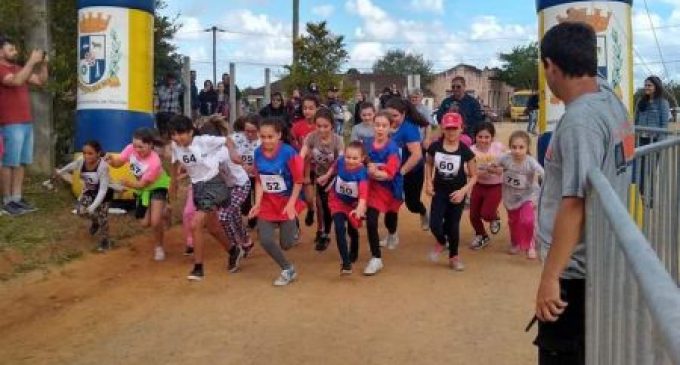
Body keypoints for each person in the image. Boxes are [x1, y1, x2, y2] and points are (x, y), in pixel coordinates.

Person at [533, 22, 633, 365]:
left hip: (576, 272)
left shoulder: (580, 121)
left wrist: (550, 278)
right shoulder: (609, 97)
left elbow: (575, 203)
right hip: (603, 257)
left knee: (564, 353)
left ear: (551, 66)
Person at [168, 115, 244, 281]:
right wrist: (172, 182)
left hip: (213, 184)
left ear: (191, 132)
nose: (177, 138)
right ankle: (234, 250)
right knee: (213, 227)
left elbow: (227, 140)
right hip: (198, 187)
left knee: (196, 223)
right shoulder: (175, 145)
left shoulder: (203, 141)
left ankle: (198, 268)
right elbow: (174, 163)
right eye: (173, 134)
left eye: (181, 133)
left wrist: (232, 153)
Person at [248, 118, 306, 286]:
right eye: (263, 136)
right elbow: (259, 180)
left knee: (286, 244)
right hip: (267, 202)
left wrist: (291, 204)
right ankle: (287, 269)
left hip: (287, 200)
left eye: (270, 137)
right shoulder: (258, 152)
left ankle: (291, 228)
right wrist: (258, 203)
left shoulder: (288, 153)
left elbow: (298, 181)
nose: (266, 141)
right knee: (265, 239)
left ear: (279, 135)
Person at [0, 36, 48, 215]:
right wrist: (31, 61)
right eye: (10, 49)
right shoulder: (1, 69)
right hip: (9, 123)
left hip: (25, 122)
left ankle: (17, 198)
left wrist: (42, 64)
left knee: (21, 162)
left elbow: (40, 81)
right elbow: (16, 81)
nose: (15, 52)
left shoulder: (19, 68)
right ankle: (7, 201)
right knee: (8, 162)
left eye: (15, 49)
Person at [106, 128, 171, 262]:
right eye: (135, 145)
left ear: (150, 145)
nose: (137, 149)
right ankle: (164, 211)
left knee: (155, 221)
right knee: (144, 223)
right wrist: (111, 160)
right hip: (143, 189)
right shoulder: (130, 149)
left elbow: (142, 184)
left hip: (158, 186)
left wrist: (126, 184)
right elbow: (119, 163)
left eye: (141, 146)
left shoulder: (155, 162)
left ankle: (159, 247)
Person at [425, 112, 477, 271]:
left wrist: (463, 191)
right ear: (442, 128)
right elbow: (428, 164)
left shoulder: (465, 151)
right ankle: (442, 241)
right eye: (448, 128)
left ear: (461, 129)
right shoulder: (435, 147)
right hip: (439, 192)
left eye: (455, 128)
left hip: (457, 193)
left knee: (453, 226)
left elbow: (475, 176)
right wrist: (428, 181)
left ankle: (454, 256)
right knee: (434, 225)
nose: (451, 132)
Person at [317, 141, 368, 275]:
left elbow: (363, 195)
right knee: (339, 228)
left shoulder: (362, 174)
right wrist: (326, 176)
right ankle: (346, 263)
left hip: (353, 205)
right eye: (348, 157)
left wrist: (359, 209)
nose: (350, 161)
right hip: (337, 201)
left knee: (352, 230)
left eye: (355, 158)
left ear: (362, 159)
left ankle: (354, 248)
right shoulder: (340, 161)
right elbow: (333, 168)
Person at [490, 131, 543, 259]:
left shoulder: (530, 162)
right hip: (510, 197)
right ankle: (515, 243)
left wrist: (546, 181)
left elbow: (542, 172)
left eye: (521, 147)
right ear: (510, 147)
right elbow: (492, 166)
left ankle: (530, 245)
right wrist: (494, 169)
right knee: (513, 222)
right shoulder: (505, 158)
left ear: (527, 148)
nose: (517, 151)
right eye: (514, 147)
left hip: (527, 196)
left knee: (528, 220)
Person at [55, 140, 113, 252]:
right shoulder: (81, 161)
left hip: (104, 194)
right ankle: (95, 222)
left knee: (103, 218)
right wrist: (60, 172)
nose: (86, 156)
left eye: (90, 153)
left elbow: (103, 189)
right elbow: (73, 165)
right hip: (89, 192)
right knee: (81, 211)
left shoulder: (103, 167)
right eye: (84, 153)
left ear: (98, 153)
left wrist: (93, 206)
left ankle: (105, 241)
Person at [364, 111, 403, 275]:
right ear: (373, 126)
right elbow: (360, 160)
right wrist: (365, 166)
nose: (380, 129)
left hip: (392, 187)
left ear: (390, 128)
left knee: (390, 217)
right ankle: (376, 258)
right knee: (371, 221)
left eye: (384, 126)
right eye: (377, 125)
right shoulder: (366, 144)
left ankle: (392, 234)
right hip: (374, 188)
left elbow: (389, 174)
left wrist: (374, 171)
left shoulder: (393, 148)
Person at [300, 108, 344, 251]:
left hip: (334, 175)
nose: (321, 129)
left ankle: (326, 234)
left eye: (325, 126)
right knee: (320, 204)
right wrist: (297, 164)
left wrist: (329, 175)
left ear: (332, 125)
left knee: (326, 204)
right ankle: (323, 229)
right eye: (318, 126)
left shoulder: (338, 140)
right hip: (320, 175)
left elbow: (341, 161)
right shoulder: (311, 137)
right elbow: (302, 154)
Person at [384, 97, 430, 234]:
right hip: (392, 171)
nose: (392, 119)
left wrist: (401, 172)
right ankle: (392, 235)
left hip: (412, 171)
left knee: (412, 204)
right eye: (389, 115)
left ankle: (423, 211)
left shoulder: (409, 129)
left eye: (395, 116)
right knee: (391, 203)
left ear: (403, 114)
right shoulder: (385, 125)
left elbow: (417, 155)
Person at [469, 122, 505, 250]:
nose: (483, 140)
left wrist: (497, 170)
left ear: (492, 137)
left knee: (487, 214)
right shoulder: (471, 150)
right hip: (478, 185)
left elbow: (505, 167)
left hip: (496, 186)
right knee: (473, 215)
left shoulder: (498, 148)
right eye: (480, 137)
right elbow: (469, 171)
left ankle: (495, 217)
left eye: (487, 137)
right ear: (475, 137)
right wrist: (485, 171)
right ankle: (482, 235)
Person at [291, 94, 319, 226]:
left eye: (311, 108)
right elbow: (292, 143)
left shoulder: (321, 126)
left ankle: (312, 210)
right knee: (301, 197)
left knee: (311, 197)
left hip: (317, 167)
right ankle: (308, 212)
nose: (307, 111)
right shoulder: (297, 126)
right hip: (301, 166)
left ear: (317, 109)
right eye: (305, 108)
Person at [231, 114, 262, 229]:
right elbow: (226, 142)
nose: (249, 134)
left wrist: (255, 166)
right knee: (245, 204)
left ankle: (261, 219)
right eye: (247, 131)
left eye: (253, 131)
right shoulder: (236, 138)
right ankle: (251, 216)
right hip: (242, 177)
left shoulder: (264, 139)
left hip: (259, 176)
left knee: (261, 199)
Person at [635, 75, 670, 142]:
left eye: (649, 85)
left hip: (655, 140)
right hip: (640, 139)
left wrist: (660, 142)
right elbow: (636, 120)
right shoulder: (640, 101)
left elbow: (664, 125)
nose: (646, 87)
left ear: (656, 87)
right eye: (645, 85)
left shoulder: (663, 103)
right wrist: (635, 137)